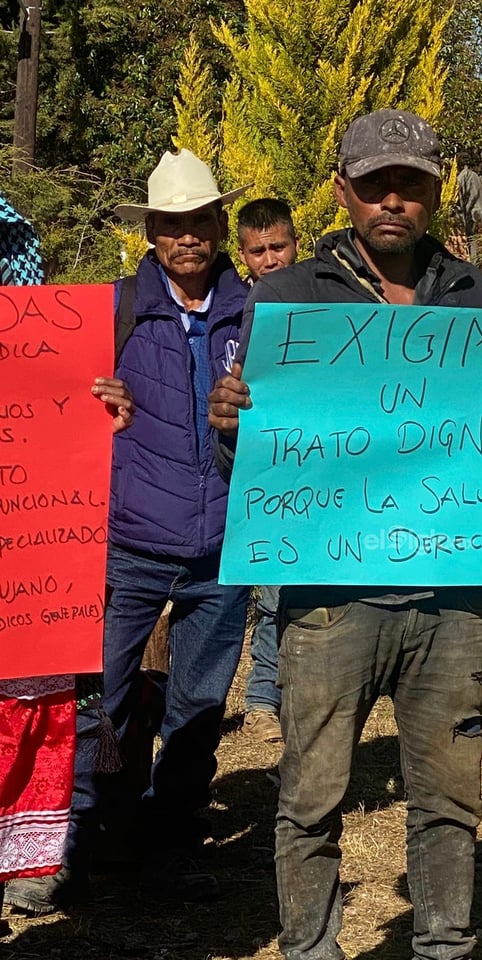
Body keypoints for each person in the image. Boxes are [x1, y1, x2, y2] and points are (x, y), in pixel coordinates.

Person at [209, 107, 482, 960]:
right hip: (328, 602)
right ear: (343, 191)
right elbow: (253, 451)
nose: (392, 201)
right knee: (311, 799)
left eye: (412, 186)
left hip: (453, 600)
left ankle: (443, 947)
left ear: (435, 194)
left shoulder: (470, 291)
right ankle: (311, 950)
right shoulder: (290, 297)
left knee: (450, 802)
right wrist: (229, 422)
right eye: (375, 186)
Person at [5, 149, 251, 915]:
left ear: (218, 225)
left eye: (198, 222)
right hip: (129, 544)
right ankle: (82, 843)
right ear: (151, 233)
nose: (186, 239)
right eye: (171, 226)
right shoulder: (104, 313)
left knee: (198, 709)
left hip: (225, 547)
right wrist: (94, 399)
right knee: (100, 704)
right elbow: (46, 409)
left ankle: (172, 845)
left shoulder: (262, 317)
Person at [0, 194, 133, 917]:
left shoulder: (40, 341)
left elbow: (64, 455)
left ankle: (34, 863)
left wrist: (105, 416)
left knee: (29, 725)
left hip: (27, 584)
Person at [235, 198, 300, 742]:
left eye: (278, 246)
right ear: (244, 254)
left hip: (320, 465)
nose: (270, 259)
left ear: (294, 243)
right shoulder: (245, 306)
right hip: (268, 468)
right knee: (274, 590)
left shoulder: (317, 298)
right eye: (258, 251)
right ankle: (262, 697)